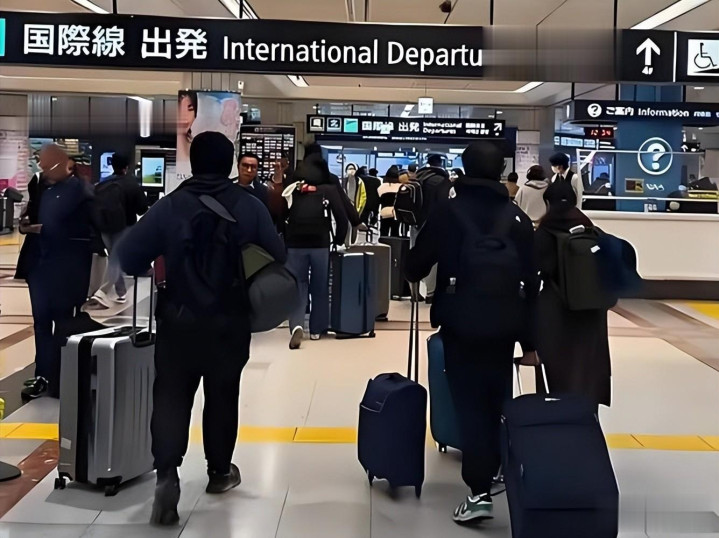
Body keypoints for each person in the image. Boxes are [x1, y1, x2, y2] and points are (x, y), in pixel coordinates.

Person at [116, 132, 285, 526]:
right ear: (230, 164)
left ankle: (166, 475)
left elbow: (128, 254)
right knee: (223, 394)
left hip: (178, 320)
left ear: (192, 163)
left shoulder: (169, 206)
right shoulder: (250, 206)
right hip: (229, 321)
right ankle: (220, 471)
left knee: (171, 396)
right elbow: (277, 257)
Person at [406, 141, 538, 524]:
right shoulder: (517, 219)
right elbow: (531, 284)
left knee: (469, 405)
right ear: (500, 172)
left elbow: (415, 266)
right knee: (496, 399)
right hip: (505, 327)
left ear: (464, 169)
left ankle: (479, 491)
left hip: (461, 324)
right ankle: (495, 469)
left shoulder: (448, 213)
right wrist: (531, 342)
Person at [20, 145, 95, 400]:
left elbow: (84, 230)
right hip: (39, 263)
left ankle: (61, 375)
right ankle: (43, 374)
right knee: (41, 321)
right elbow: (30, 219)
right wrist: (27, 226)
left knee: (64, 321)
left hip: (67, 267)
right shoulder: (39, 185)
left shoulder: (80, 191)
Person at [534, 181, 611, 409]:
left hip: (556, 314)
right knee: (588, 371)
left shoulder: (544, 234)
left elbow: (532, 273)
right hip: (592, 315)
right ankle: (587, 418)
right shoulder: (593, 232)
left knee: (560, 375)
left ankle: (560, 419)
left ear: (548, 203)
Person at [283, 146, 350, 349]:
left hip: (295, 243)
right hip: (320, 244)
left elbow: (281, 216)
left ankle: (296, 325)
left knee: (299, 285)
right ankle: (316, 329)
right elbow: (342, 218)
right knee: (319, 287)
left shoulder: (293, 189)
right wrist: (338, 240)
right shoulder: (328, 190)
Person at [90, 153, 149, 306]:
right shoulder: (131, 184)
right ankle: (102, 292)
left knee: (114, 258)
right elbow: (142, 209)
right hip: (124, 228)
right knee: (115, 260)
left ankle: (121, 292)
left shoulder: (102, 184)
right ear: (127, 167)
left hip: (105, 228)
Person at [377, 165, 402, 237]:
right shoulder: (401, 187)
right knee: (395, 232)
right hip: (396, 213)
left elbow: (378, 199)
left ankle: (383, 243)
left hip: (384, 211)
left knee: (384, 231)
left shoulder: (382, 187)